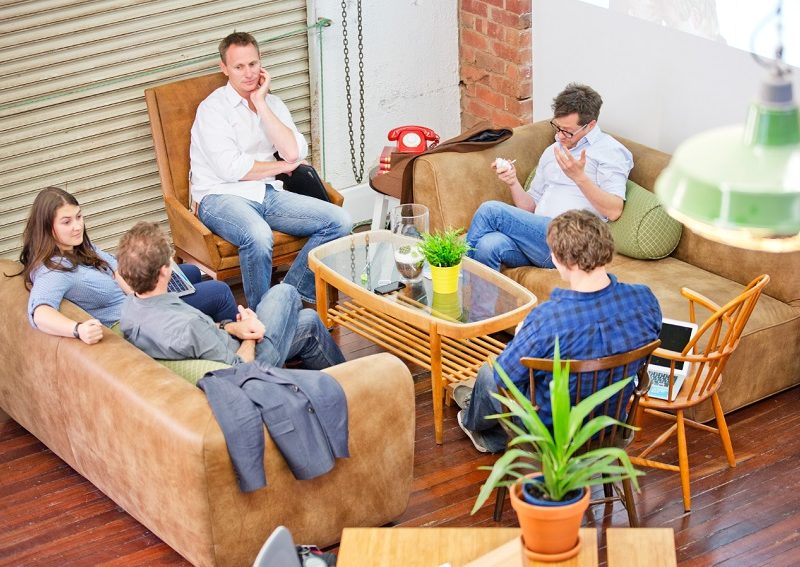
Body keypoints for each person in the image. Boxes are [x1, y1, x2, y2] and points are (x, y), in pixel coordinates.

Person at [456, 210, 661, 453]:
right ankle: (482, 417)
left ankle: (475, 424)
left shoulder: (548, 319)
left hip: (552, 434)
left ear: (562, 261)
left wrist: (522, 335)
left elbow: (504, 378)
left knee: (488, 375)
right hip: (611, 424)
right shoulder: (645, 300)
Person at [190, 31, 351, 309]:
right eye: (239, 66)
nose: (248, 73)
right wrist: (281, 167)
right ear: (224, 68)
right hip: (219, 196)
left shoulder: (272, 104)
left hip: (267, 192)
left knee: (339, 221)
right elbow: (230, 168)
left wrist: (262, 103)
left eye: (253, 64)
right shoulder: (212, 109)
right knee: (258, 235)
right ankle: (262, 317)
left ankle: (285, 299)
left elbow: (294, 153)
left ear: (261, 62)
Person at [17, 187, 237, 345]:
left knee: (190, 272)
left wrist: (138, 292)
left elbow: (115, 268)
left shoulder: (77, 247)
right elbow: (40, 313)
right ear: (47, 228)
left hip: (139, 303)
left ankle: (208, 335)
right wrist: (78, 330)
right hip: (137, 322)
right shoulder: (53, 271)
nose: (77, 226)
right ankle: (234, 347)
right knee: (220, 291)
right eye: (66, 222)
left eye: (79, 216)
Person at [117, 222, 345, 370]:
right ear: (163, 272)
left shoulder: (129, 310)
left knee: (309, 322)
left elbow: (203, 336)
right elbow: (240, 368)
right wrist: (250, 333)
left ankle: (342, 388)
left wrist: (233, 327)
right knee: (285, 292)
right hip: (250, 365)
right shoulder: (188, 326)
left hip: (230, 345)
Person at [466, 83, 632, 271]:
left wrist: (579, 178)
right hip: (538, 240)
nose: (559, 136)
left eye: (567, 131)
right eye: (557, 127)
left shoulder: (610, 151)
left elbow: (614, 210)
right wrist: (512, 181)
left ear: (590, 125)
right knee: (488, 245)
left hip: (572, 242)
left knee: (491, 210)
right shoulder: (552, 150)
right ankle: (472, 291)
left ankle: (450, 272)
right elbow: (531, 207)